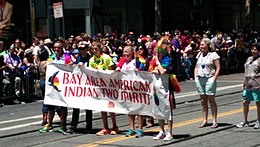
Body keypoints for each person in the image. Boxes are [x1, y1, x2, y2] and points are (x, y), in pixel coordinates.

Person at [39, 41, 70, 133]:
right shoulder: (52, 57)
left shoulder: (66, 57)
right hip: (52, 84)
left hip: (63, 84)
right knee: (50, 104)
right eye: (55, 47)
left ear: (62, 48)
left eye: (58, 47)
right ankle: (50, 124)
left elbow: (70, 66)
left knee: (63, 105)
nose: (56, 49)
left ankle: (63, 124)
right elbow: (45, 66)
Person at [89, 41, 119, 136]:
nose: (94, 50)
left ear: (100, 48)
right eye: (92, 49)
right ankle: (105, 127)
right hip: (99, 86)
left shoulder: (106, 57)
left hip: (108, 85)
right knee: (102, 107)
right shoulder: (91, 60)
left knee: (110, 106)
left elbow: (112, 69)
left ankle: (115, 126)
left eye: (96, 49)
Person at [116, 45, 144, 138]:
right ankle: (131, 129)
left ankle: (140, 129)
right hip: (127, 90)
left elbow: (143, 67)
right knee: (130, 109)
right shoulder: (123, 63)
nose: (125, 54)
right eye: (124, 52)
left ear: (132, 53)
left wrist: (139, 69)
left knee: (139, 109)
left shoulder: (135, 61)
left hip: (137, 89)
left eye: (127, 52)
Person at [151, 37, 176, 141]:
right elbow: (150, 70)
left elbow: (162, 71)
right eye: (157, 53)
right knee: (158, 109)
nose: (158, 55)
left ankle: (169, 132)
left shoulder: (168, 60)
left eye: (160, 53)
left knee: (167, 109)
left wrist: (157, 63)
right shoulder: (154, 61)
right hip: (156, 89)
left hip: (166, 89)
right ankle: (161, 131)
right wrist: (155, 66)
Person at [194, 38, 220, 129]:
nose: (201, 46)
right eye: (200, 45)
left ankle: (214, 120)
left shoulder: (213, 55)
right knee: (203, 101)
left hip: (209, 78)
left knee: (211, 99)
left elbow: (218, 67)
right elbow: (196, 67)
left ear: (208, 45)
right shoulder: (199, 54)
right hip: (200, 79)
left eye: (202, 44)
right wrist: (195, 77)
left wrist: (214, 78)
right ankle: (204, 120)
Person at [236, 43, 260, 129]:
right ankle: (245, 121)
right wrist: (243, 83)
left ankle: (258, 121)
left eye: (255, 49)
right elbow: (246, 72)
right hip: (247, 85)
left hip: (257, 85)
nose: (253, 51)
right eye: (252, 49)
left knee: (258, 103)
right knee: (245, 102)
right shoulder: (249, 59)